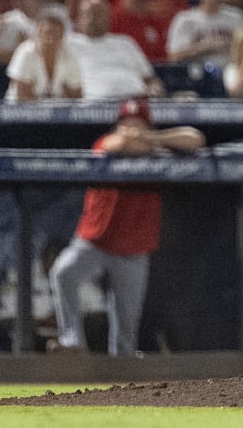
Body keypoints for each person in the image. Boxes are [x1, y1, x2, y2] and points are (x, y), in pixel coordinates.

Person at [47, 98, 206, 356]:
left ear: (147, 126)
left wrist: (151, 138)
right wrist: (146, 143)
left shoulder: (156, 146)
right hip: (95, 239)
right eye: (125, 123)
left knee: (126, 333)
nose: (129, 129)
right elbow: (118, 144)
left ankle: (123, 366)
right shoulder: (105, 142)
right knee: (63, 272)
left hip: (133, 248)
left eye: (136, 123)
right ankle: (72, 342)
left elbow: (196, 139)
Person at [68, 0, 161, 101]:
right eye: (88, 14)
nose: (92, 19)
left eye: (98, 14)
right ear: (79, 18)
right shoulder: (69, 43)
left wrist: (155, 90)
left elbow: (150, 78)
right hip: (94, 103)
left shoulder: (125, 43)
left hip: (135, 101)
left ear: (108, 17)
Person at [5, 9, 82, 101]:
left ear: (62, 38)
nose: (50, 39)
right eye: (47, 33)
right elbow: (23, 97)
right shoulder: (25, 52)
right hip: (18, 109)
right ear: (38, 34)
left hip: (57, 108)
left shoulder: (69, 56)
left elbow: (76, 96)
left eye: (56, 34)